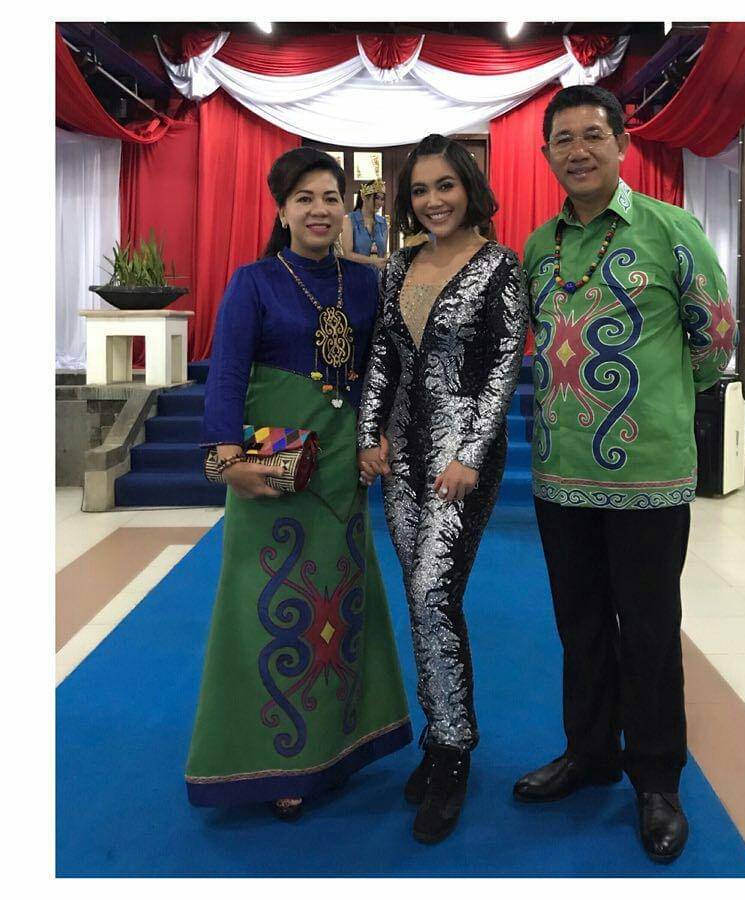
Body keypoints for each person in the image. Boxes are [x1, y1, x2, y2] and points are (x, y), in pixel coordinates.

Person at [514, 85, 738, 863]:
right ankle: (589, 754)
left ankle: (656, 779)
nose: (578, 151)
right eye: (563, 139)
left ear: (621, 144)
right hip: (559, 474)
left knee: (647, 629)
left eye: (592, 136)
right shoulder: (538, 248)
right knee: (578, 624)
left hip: (648, 475)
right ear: (546, 154)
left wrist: (661, 405)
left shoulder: (671, 230)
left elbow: (715, 338)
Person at [186, 148, 412, 820]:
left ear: (347, 207)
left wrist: (380, 435)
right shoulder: (253, 282)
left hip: (342, 470)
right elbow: (227, 373)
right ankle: (277, 760)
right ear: (281, 210)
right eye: (305, 198)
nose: (320, 210)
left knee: (336, 609)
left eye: (330, 197)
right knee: (269, 607)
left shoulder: (365, 284)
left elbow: (384, 370)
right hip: (273, 472)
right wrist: (226, 458)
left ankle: (339, 745)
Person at [357, 134, 527, 845]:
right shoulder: (399, 266)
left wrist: (470, 455)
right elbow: (383, 355)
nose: (433, 201)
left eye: (445, 186)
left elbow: (504, 368)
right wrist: (370, 434)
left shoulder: (500, 267)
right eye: (421, 189)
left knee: (434, 594)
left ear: (469, 189)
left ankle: (455, 749)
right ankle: (438, 735)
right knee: (420, 599)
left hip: (461, 461)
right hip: (403, 456)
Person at [341, 179, 389, 269]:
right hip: (355, 273)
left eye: (382, 199)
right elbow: (347, 254)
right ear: (364, 197)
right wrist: (373, 261)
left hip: (377, 275)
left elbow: (383, 253)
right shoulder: (349, 220)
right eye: (376, 198)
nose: (380, 202)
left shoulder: (383, 222)